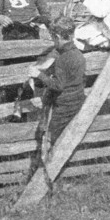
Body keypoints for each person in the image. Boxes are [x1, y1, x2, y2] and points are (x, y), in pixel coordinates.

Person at [28, 16, 86, 147]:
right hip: (77, 100)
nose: (53, 42)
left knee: (53, 137)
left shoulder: (62, 59)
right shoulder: (78, 54)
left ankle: (52, 164)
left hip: (64, 106)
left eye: (53, 38)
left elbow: (58, 86)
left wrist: (39, 74)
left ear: (58, 36)